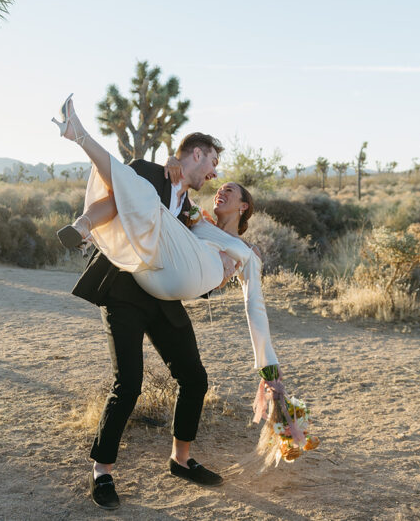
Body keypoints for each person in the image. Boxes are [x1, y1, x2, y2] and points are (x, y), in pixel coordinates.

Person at [52, 95, 278, 509]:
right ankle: (102, 473)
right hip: (124, 292)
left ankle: (182, 459)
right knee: (129, 383)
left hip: (163, 298)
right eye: (213, 164)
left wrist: (227, 269)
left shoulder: (191, 210)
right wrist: (85, 223)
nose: (214, 175)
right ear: (198, 153)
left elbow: (195, 260)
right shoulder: (146, 173)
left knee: (194, 378)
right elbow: (121, 196)